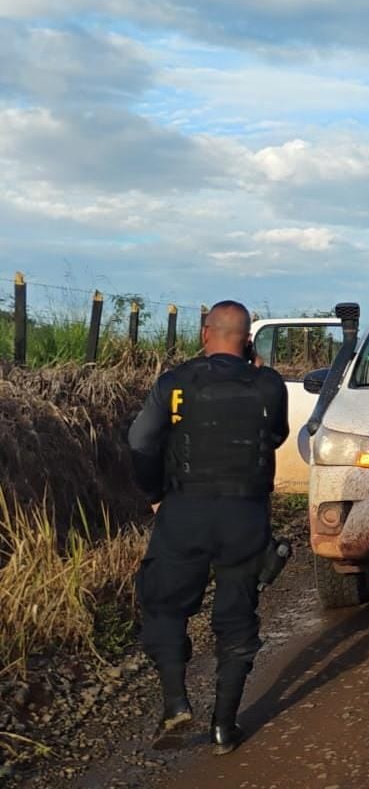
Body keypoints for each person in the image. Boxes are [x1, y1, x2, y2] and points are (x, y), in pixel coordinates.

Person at [127, 300, 289, 755]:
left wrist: (154, 494)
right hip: (244, 516)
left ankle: (176, 703)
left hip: (184, 510)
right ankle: (224, 726)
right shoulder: (269, 384)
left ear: (205, 333)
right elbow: (274, 435)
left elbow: (140, 441)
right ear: (249, 340)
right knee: (237, 621)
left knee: (164, 606)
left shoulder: (174, 383)